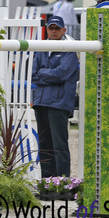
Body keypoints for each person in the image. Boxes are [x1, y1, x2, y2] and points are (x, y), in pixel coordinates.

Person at [31, 15, 79, 178]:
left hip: (58, 104)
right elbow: (32, 75)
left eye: (57, 28)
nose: (53, 31)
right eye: (51, 28)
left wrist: (43, 73)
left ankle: (63, 183)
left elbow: (61, 74)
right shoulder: (41, 48)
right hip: (41, 102)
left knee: (59, 146)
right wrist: (49, 75)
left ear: (63, 30)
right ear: (46, 29)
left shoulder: (69, 50)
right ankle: (47, 183)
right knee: (44, 146)